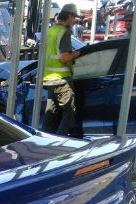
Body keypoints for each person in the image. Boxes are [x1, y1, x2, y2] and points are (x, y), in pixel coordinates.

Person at [42, 3, 84, 136]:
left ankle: (45, 139)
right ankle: (60, 141)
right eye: (74, 18)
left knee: (51, 113)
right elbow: (65, 58)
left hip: (49, 78)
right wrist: (77, 54)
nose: (75, 21)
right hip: (61, 79)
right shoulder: (64, 32)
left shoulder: (52, 30)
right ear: (69, 16)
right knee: (69, 113)